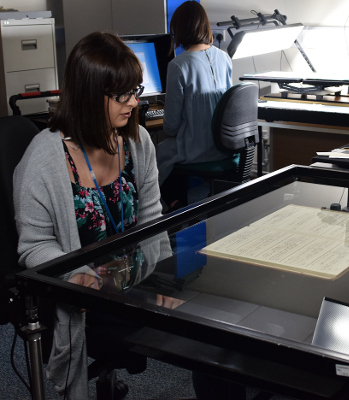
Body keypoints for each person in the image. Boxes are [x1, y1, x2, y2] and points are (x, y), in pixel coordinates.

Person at [13, 31, 168, 399]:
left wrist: (165, 279)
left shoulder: (136, 142)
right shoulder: (44, 160)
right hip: (81, 297)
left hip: (132, 284)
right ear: (88, 94)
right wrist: (76, 275)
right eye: (122, 95)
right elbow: (34, 246)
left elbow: (152, 219)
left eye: (136, 91)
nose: (133, 103)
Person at [156, 0, 232, 212]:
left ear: (178, 30)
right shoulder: (224, 58)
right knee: (171, 154)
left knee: (157, 156)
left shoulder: (178, 66)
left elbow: (170, 126)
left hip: (198, 148)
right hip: (225, 147)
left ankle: (175, 207)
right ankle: (179, 205)